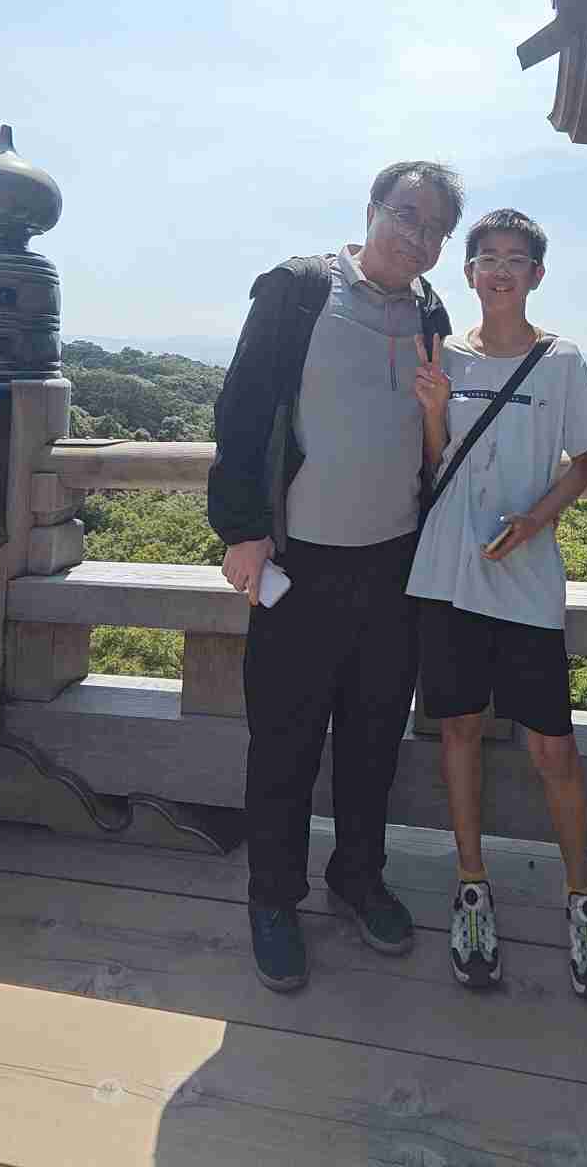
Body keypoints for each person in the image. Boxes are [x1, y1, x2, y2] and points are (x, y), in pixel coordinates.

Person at [208, 160, 462, 992]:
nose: (418, 236)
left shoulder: (430, 311)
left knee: (373, 737)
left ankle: (357, 876)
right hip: (299, 561)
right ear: (373, 209)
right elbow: (241, 410)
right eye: (407, 215)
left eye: (435, 228)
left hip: (394, 564)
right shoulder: (301, 289)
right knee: (283, 740)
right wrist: (242, 531)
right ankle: (272, 899)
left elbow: (435, 432)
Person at [407, 209, 587, 1001]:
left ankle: (582, 897)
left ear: (537, 273)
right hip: (449, 572)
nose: (500, 270)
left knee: (552, 746)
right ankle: (472, 885)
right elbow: (435, 464)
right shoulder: (444, 354)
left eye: (516, 258)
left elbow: (586, 462)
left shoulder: (559, 360)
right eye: (487, 258)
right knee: (459, 727)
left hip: (528, 575)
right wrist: (434, 411)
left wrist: (537, 520)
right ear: (468, 273)